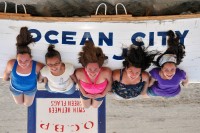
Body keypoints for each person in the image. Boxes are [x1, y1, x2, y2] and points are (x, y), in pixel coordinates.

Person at [3, 27, 44, 107]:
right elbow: (6, 73)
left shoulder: (37, 66)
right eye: (20, 61)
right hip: (15, 88)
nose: (23, 63)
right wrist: (5, 78)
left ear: (31, 58)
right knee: (19, 103)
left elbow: (45, 73)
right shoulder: (11, 64)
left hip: (30, 90)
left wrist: (40, 80)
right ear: (16, 58)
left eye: (26, 61)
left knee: (27, 104)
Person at [148, 30, 189, 97]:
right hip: (158, 91)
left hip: (173, 93)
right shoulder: (156, 73)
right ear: (161, 68)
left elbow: (185, 82)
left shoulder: (180, 74)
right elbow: (150, 83)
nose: (170, 73)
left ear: (176, 68)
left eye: (172, 69)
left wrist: (185, 84)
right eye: (166, 69)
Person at [75, 41, 112, 108]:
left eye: (95, 69)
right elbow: (78, 82)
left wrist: (103, 94)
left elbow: (110, 82)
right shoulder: (79, 73)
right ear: (85, 68)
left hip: (100, 94)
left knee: (95, 107)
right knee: (86, 106)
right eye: (89, 69)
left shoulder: (106, 72)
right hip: (85, 93)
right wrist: (84, 94)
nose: (92, 72)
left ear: (100, 68)